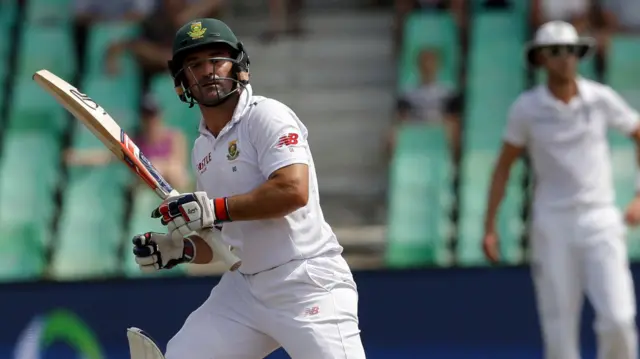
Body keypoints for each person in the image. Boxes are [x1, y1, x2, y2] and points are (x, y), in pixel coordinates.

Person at [128, 18, 366, 359]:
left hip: (306, 281)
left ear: (239, 66)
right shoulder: (201, 149)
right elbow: (223, 240)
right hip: (246, 290)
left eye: (216, 59)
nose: (208, 71)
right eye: (195, 65)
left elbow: (292, 191)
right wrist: (178, 249)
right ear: (182, 84)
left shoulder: (267, 116)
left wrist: (214, 208)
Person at [482, 20, 639, 359]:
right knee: (559, 328)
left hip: (600, 218)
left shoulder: (599, 98)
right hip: (552, 224)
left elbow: (638, 132)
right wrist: (490, 226)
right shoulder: (526, 108)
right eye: (555, 52)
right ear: (540, 59)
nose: (565, 58)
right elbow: (503, 167)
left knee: (619, 318)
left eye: (571, 50)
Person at [388, 48, 461, 160]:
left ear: (438, 66)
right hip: (416, 128)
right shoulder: (408, 93)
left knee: (454, 128)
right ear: (418, 66)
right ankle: (395, 165)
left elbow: (453, 118)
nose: (428, 67)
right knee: (393, 132)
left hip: (439, 129)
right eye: (425, 63)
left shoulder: (448, 93)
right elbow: (402, 117)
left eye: (431, 63)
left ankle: (455, 165)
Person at [133, 95, 190, 191]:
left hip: (170, 181)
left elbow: (178, 164)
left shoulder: (175, 137)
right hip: (146, 185)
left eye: (152, 114)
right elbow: (112, 155)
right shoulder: (136, 141)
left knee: (176, 173)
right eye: (146, 115)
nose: (150, 120)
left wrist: (156, 166)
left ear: (160, 115)